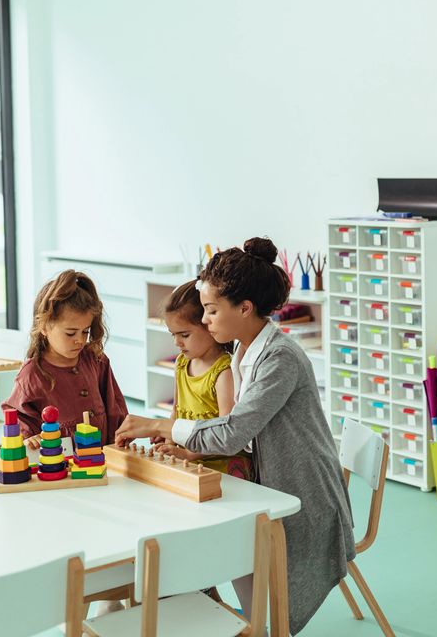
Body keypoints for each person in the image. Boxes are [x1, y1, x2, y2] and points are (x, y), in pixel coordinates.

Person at [115, 237, 355, 635]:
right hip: (271, 483)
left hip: (303, 496)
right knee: (204, 533)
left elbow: (234, 431)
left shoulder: (279, 358)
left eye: (210, 310)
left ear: (244, 308)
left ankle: (240, 621)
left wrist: (159, 425)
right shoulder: (246, 351)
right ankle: (223, 614)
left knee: (213, 542)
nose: (204, 320)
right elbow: (244, 435)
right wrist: (190, 449)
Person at [3, 270, 128, 447]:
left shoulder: (96, 360)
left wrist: (121, 437)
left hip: (101, 460)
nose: (80, 340)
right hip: (58, 466)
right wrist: (29, 439)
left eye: (86, 331)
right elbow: (17, 417)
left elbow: (115, 406)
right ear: (44, 327)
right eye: (70, 333)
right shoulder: (32, 374)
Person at [159, 280, 252, 479]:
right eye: (173, 335)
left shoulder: (224, 371)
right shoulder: (182, 363)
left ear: (208, 326)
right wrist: (169, 447)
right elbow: (175, 414)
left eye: (184, 334)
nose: (177, 342)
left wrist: (187, 454)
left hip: (222, 463)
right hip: (190, 459)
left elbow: (224, 433)